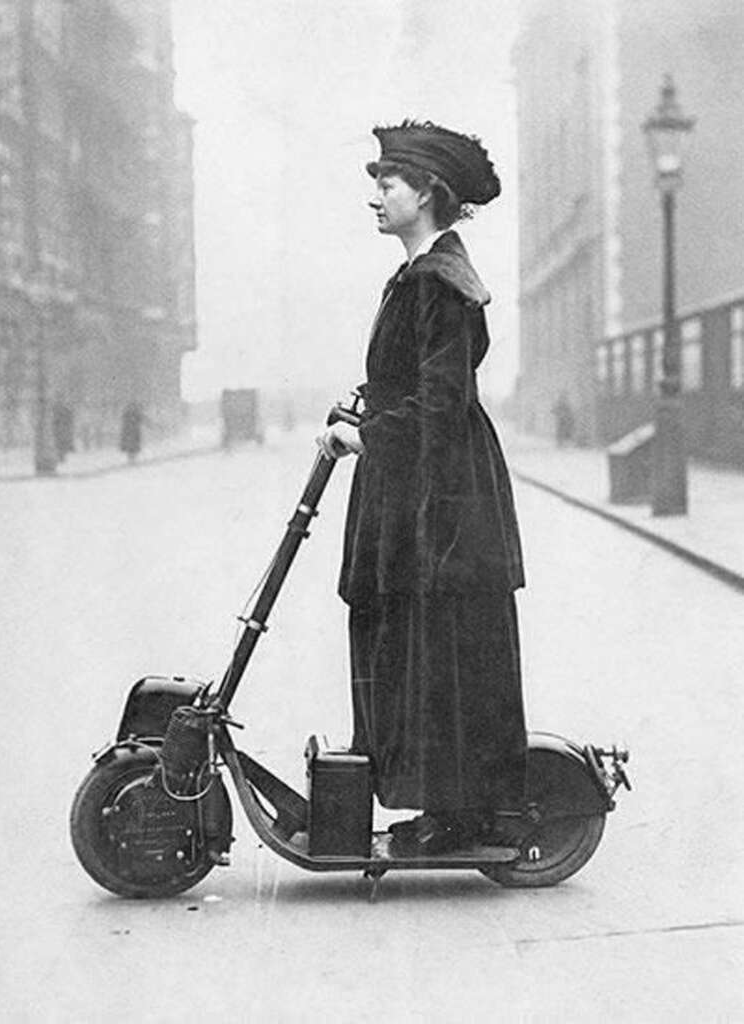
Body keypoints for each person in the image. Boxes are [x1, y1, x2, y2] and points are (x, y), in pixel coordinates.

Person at [317, 121, 527, 855]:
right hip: (416, 485)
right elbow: (407, 384)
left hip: (442, 497)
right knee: (411, 638)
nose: (375, 195)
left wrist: (368, 436)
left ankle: (457, 813)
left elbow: (440, 403)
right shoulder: (419, 276)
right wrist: (362, 415)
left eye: (388, 183)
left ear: (428, 194)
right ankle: (439, 805)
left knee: (439, 645)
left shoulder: (441, 283)